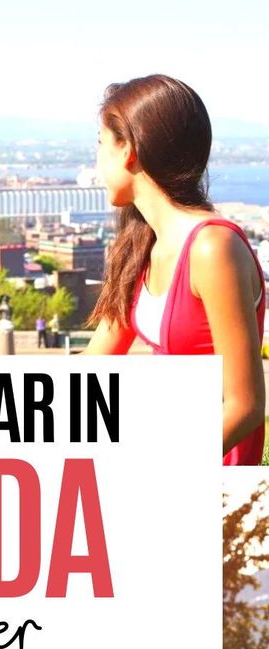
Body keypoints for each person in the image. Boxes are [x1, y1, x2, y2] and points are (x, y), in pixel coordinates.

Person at [85, 74, 266, 465]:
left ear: (128, 150)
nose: (96, 163)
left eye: (100, 145)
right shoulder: (141, 246)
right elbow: (92, 366)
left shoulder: (212, 248)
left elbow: (245, 405)